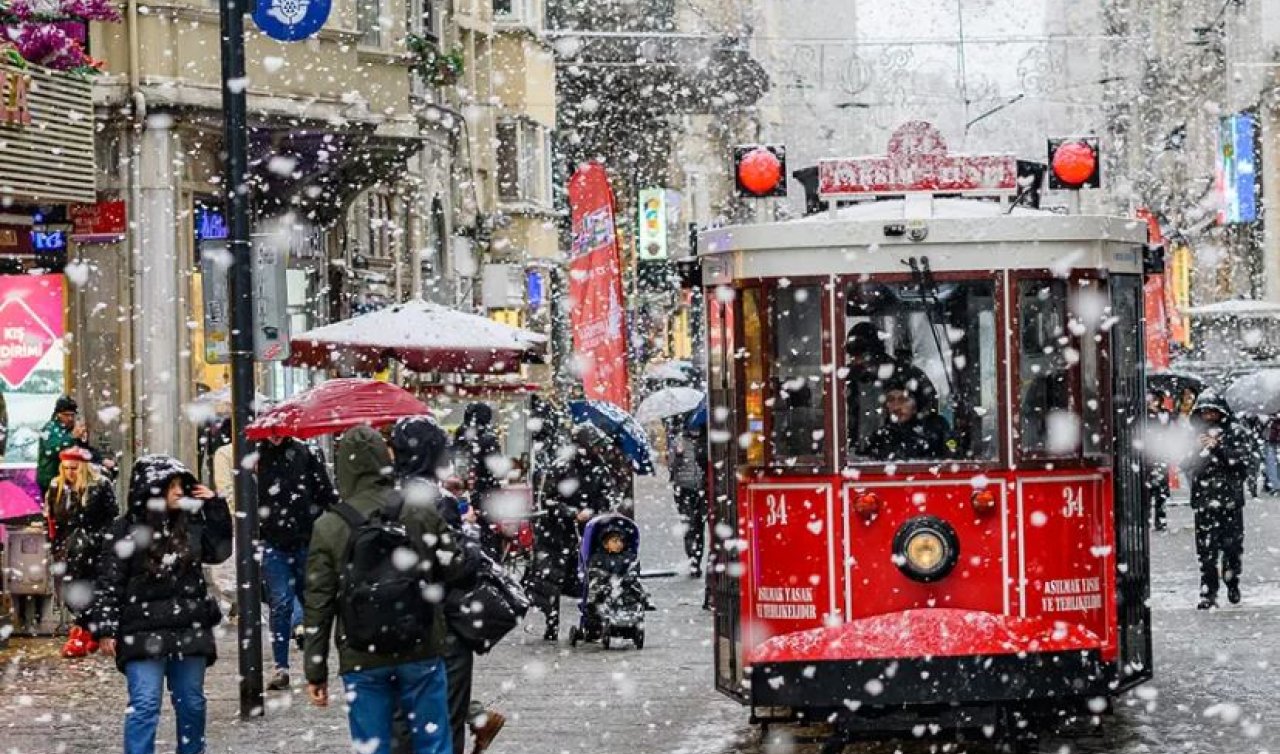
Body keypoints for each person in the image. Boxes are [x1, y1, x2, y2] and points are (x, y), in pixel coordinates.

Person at [303, 425, 462, 754]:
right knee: (433, 743)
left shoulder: (329, 526)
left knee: (373, 746)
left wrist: (315, 670)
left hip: (362, 652)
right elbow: (453, 565)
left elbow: (318, 603)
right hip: (420, 642)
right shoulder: (418, 509)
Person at [91, 455, 232, 754]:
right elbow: (109, 579)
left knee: (191, 702)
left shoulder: (190, 523)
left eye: (182, 485)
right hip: (142, 629)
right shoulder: (125, 530)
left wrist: (215, 506)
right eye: (172, 486)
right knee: (144, 703)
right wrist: (106, 626)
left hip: (188, 626)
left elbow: (218, 551)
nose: (180, 492)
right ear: (154, 490)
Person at [390, 417, 506, 754]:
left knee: (403, 720)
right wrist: (470, 537)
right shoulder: (434, 502)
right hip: (442, 624)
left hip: (395, 623)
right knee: (445, 718)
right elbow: (459, 568)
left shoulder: (386, 498)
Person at [256, 434, 339, 691]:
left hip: (305, 539)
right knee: (280, 603)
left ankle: (315, 662)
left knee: (311, 602)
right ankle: (281, 667)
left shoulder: (305, 453)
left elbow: (324, 492)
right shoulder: (257, 456)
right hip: (273, 541)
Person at [524, 423, 615, 641]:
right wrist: (570, 512)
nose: (597, 451)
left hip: (587, 531)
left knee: (591, 578)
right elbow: (547, 500)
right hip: (557, 531)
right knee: (551, 579)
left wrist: (593, 512)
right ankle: (551, 621)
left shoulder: (599, 468)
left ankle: (592, 622)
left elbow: (606, 497)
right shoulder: (561, 467)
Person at [1181, 393, 1253, 609]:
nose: (1209, 416)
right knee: (1206, 550)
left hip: (1230, 499)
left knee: (1232, 547)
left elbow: (1241, 463)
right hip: (1204, 500)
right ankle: (1208, 591)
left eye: (1212, 411)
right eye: (1204, 412)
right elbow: (1185, 463)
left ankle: (1232, 581)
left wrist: (1219, 448)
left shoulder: (1235, 432)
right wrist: (1198, 449)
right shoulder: (1192, 435)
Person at [45, 446, 117, 658]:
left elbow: (111, 515)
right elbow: (53, 520)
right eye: (66, 468)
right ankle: (88, 630)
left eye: (74, 468)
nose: (70, 472)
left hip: (93, 547)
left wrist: (99, 539)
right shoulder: (56, 487)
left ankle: (82, 630)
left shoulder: (99, 485)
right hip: (68, 548)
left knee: (90, 589)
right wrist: (56, 544)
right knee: (70, 591)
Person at [844, 322, 935, 456]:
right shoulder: (848, 379)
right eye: (853, 356)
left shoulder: (906, 375)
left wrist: (910, 436)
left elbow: (928, 409)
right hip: (859, 454)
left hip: (906, 452)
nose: (857, 361)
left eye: (861, 355)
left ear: (875, 353)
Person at [454, 402, 505, 557]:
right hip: (485, 496)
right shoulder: (488, 439)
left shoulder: (460, 434)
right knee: (487, 538)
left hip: (460, 492)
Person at [864, 375, 951, 462]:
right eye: (890, 399)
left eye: (902, 399)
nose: (896, 406)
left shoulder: (936, 429)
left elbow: (952, 457)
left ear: (915, 406)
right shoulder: (880, 437)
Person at [667, 418, 708, 576]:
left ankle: (697, 558)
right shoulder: (679, 441)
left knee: (699, 526)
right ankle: (692, 559)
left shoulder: (704, 441)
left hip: (700, 488)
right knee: (689, 525)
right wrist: (677, 454)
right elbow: (671, 466)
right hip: (684, 489)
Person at [37, 396, 89, 495]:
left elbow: (82, 451)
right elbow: (52, 449)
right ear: (58, 414)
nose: (70, 418)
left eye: (72, 415)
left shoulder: (73, 427)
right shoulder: (49, 429)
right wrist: (72, 438)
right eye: (66, 415)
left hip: (71, 478)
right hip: (51, 478)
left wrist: (83, 440)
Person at [1146, 390, 1173, 531]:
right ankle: (1146, 519)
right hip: (1148, 456)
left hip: (1162, 454)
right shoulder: (1144, 416)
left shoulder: (1166, 414)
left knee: (1161, 491)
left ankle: (1160, 519)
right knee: (1147, 490)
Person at [1265, 414, 1280, 494]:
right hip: (1272, 443)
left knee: (1272, 466)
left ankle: (1275, 485)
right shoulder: (1272, 422)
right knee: (1272, 466)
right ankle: (1275, 485)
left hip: (1272, 443)